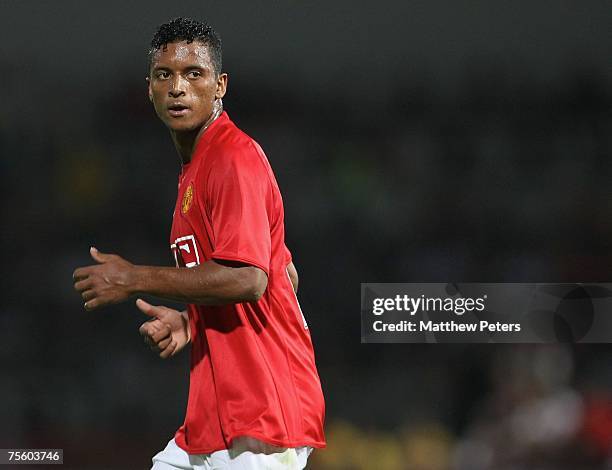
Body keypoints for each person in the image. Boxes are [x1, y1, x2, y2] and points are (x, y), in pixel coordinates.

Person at [72, 17, 325, 470]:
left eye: (194, 74)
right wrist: (193, 320)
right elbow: (284, 271)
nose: (177, 88)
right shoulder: (198, 164)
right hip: (216, 415)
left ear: (220, 85)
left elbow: (250, 279)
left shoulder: (232, 156)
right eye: (164, 75)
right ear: (148, 88)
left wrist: (133, 278)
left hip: (261, 416)